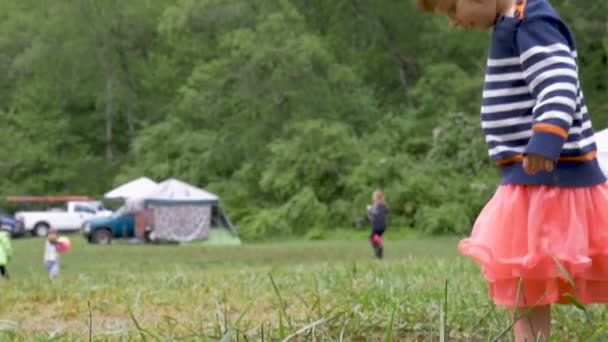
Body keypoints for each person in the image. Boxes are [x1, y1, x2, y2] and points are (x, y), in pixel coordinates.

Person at [417, 0, 608, 340]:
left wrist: (546, 139)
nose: (454, 23)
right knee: (525, 278)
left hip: (554, 178)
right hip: (530, 180)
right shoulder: (511, 22)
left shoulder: (531, 22)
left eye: (451, 9)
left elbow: (558, 82)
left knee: (530, 275)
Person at [367, 190, 388, 259]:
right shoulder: (384, 204)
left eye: (373, 196)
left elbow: (374, 214)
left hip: (377, 226)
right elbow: (386, 212)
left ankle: (379, 252)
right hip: (382, 226)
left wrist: (369, 209)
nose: (373, 197)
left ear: (376, 197)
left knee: (372, 238)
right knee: (376, 238)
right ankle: (379, 254)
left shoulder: (377, 205)